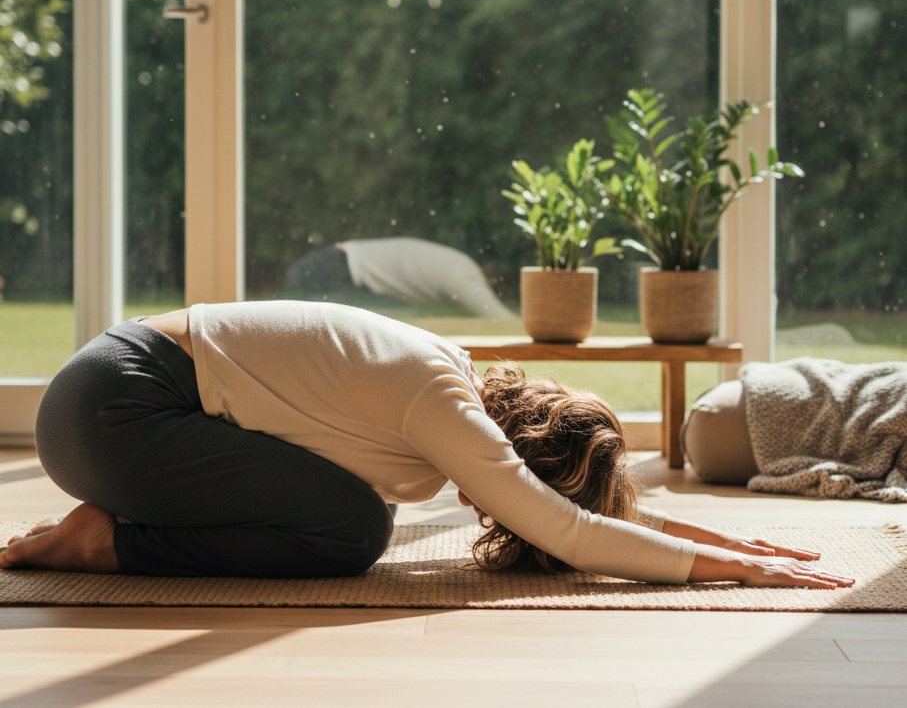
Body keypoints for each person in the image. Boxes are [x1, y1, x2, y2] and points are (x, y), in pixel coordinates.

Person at [0, 301, 853, 589]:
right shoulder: (437, 398)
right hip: (119, 410)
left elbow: (570, 519)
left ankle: (112, 518)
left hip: (107, 402)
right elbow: (570, 531)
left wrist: (735, 538)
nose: (504, 517)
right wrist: (739, 572)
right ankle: (106, 539)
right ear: (525, 455)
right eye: (528, 494)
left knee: (343, 508)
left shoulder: (439, 369)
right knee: (349, 528)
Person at [282, 238, 513, 318]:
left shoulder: (457, 262)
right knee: (407, 321)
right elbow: (497, 319)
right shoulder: (463, 274)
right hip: (335, 270)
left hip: (332, 262)